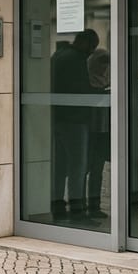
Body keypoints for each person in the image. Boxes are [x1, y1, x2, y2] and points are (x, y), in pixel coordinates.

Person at [49, 29, 98, 220]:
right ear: (85, 43)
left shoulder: (58, 55)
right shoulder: (76, 59)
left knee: (59, 166)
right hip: (74, 119)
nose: (92, 52)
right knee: (78, 166)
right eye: (92, 47)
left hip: (57, 117)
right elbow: (80, 89)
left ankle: (57, 205)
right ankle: (77, 209)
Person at [84, 48, 110, 219]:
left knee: (97, 169)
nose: (103, 68)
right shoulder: (86, 79)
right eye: (101, 64)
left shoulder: (107, 79)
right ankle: (78, 203)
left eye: (106, 65)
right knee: (83, 168)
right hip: (88, 129)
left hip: (102, 129)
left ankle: (94, 205)